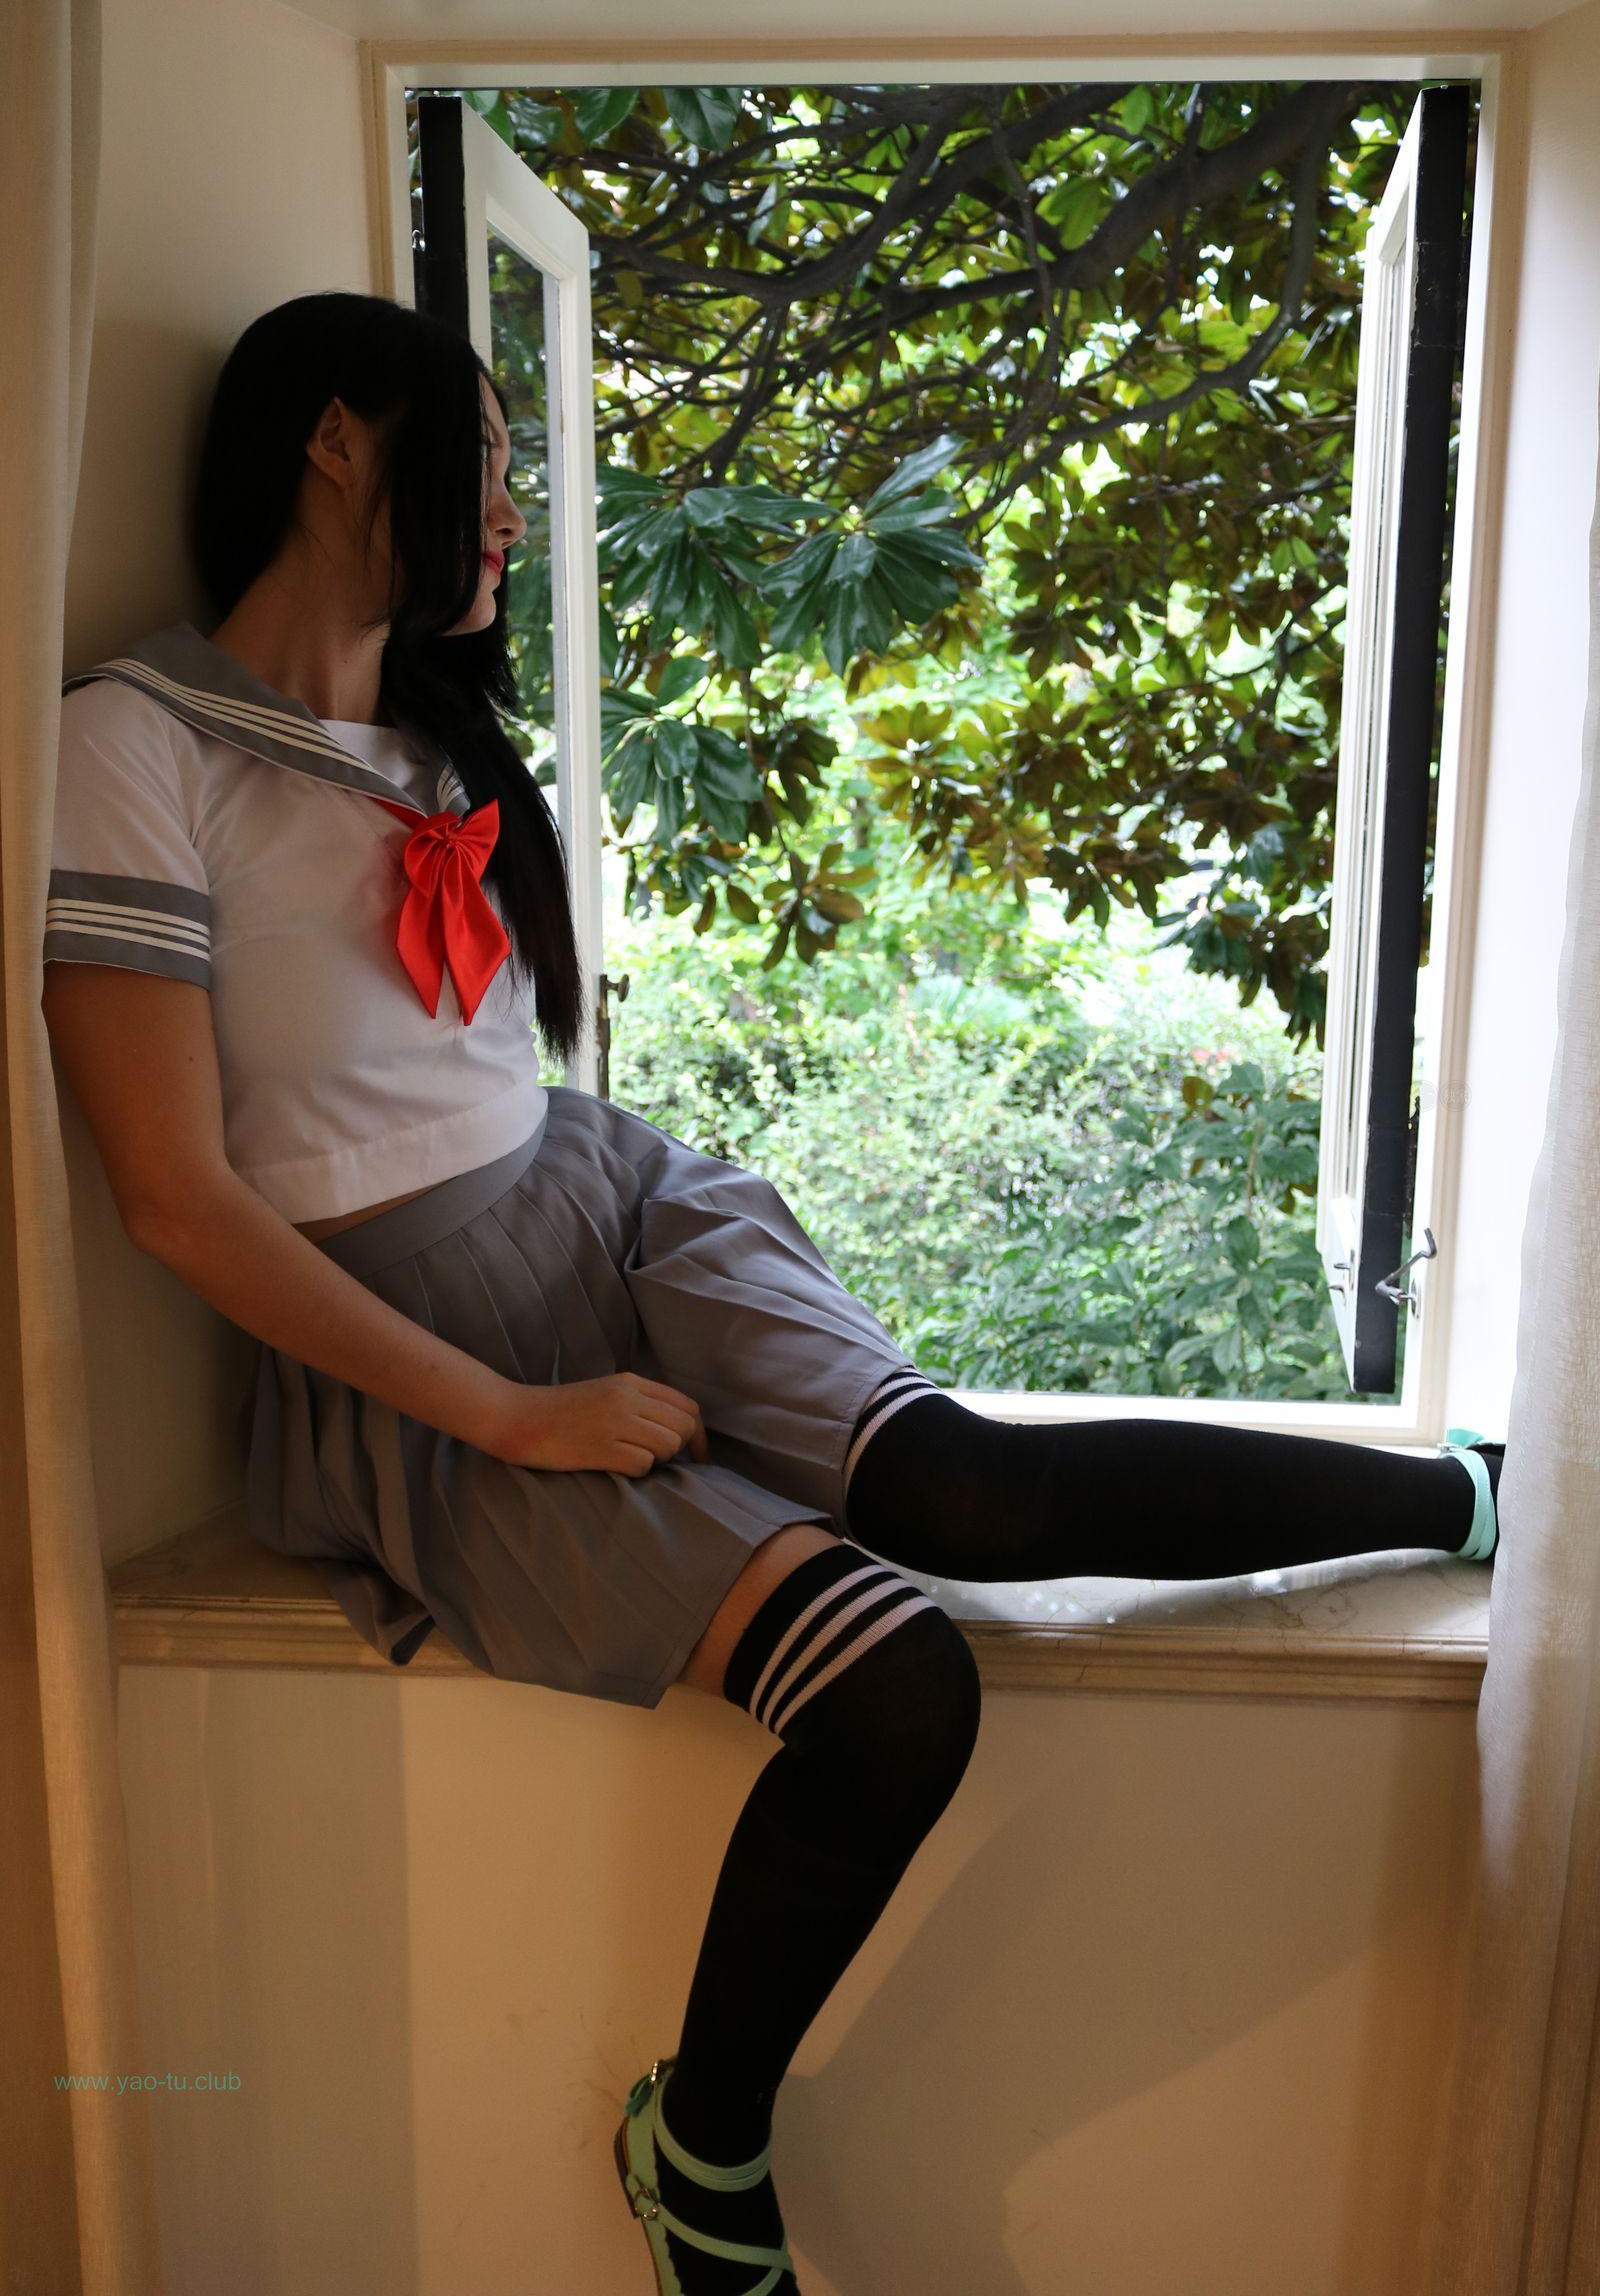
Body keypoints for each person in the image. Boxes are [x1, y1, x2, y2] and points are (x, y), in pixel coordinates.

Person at [40, 291, 1506, 2296]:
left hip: (609, 1200)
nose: (512, 511)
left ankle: (1473, 1494)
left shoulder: (429, 738)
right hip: (419, 1359)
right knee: (899, 1689)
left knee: (966, 1491)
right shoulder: (129, 744)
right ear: (336, 438)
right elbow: (176, 1204)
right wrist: (512, 1415)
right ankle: (702, 2148)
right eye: (489, 456)